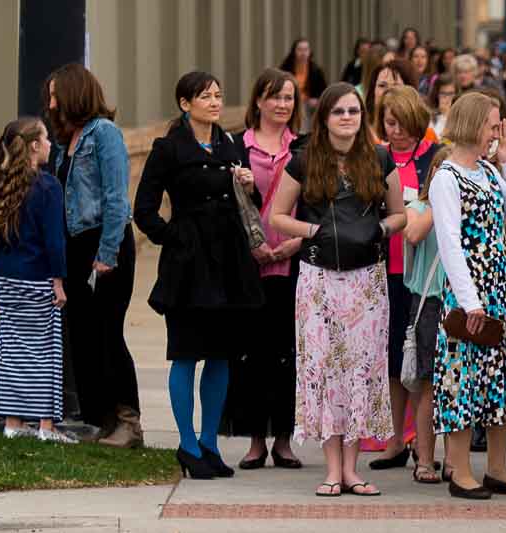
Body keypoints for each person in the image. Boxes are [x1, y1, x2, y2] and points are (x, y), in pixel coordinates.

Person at [266, 82, 408, 498]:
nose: (348, 118)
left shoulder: (380, 158)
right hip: (319, 280)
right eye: (339, 112)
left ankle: (353, 469)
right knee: (326, 370)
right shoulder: (304, 162)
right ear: (324, 117)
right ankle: (331, 469)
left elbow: (399, 215)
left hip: (367, 281)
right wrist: (315, 230)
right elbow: (277, 216)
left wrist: (378, 229)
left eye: (354, 111)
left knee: (361, 371)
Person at [134, 72, 266, 479]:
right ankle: (187, 444)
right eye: (205, 96)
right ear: (184, 103)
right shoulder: (168, 148)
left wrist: (249, 183)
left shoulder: (229, 144)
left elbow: (250, 202)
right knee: (186, 352)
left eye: (218, 95)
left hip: (229, 261)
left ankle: (210, 442)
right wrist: (177, 238)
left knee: (222, 354)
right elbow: (144, 211)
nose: (214, 101)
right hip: (189, 267)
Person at [425, 92, 506, 500]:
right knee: (463, 377)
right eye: (492, 124)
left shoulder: (490, 172)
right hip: (469, 289)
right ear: (472, 124)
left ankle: (498, 467)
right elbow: (450, 242)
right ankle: (460, 470)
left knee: (501, 376)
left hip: (501, 285)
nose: (497, 132)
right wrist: (470, 301)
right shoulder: (446, 177)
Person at [45, 63, 141, 448]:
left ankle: (127, 420)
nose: (51, 102)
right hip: (74, 248)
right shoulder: (65, 140)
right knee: (82, 336)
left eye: (56, 94)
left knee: (108, 334)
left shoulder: (104, 134)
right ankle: (96, 419)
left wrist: (107, 252)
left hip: (105, 244)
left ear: (74, 94)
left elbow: (117, 198)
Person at [0, 117, 71, 443]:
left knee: (11, 350)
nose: (51, 143)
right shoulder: (48, 186)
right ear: (34, 145)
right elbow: (55, 241)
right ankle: (46, 427)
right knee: (45, 353)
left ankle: (12, 422)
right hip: (38, 277)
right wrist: (59, 280)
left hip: (7, 277)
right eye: (46, 138)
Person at [365, 85, 445, 474]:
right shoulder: (375, 157)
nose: (391, 130)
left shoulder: (433, 156)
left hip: (423, 275)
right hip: (384, 268)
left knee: (424, 361)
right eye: (386, 122)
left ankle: (423, 441)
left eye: (397, 122)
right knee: (393, 359)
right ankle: (396, 438)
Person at [230, 69, 306, 471]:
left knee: (287, 353)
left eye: (289, 98)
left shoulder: (305, 147)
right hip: (250, 266)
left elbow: (313, 204)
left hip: (293, 262)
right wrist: (253, 246)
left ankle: (284, 439)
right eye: (274, 96)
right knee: (252, 354)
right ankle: (256, 439)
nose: (282, 104)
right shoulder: (236, 149)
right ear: (258, 101)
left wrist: (296, 243)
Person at [279, 39, 328, 112]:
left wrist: (317, 99)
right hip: (291, 100)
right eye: (300, 50)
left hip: (309, 104)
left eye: (306, 50)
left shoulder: (316, 70)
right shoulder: (286, 68)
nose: (303, 53)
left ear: (309, 52)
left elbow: (324, 91)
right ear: (294, 51)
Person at [363, 60, 418, 124]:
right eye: (382, 85)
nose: (388, 92)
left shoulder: (424, 129)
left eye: (396, 86)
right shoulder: (361, 127)